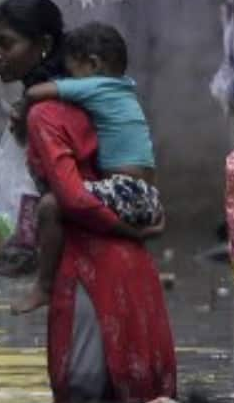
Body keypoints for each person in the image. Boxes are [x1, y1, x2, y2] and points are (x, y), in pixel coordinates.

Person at [0, 0, 178, 403]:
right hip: (132, 267)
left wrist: (128, 227)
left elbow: (70, 198)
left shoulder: (46, 113)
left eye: (6, 43)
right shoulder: (92, 96)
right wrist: (139, 228)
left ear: (44, 45)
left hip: (89, 274)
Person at [9, 22, 164, 315]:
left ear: (93, 64)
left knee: (49, 206)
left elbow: (36, 93)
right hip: (145, 195)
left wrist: (19, 114)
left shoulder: (96, 86)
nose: (70, 80)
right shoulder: (124, 89)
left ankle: (43, 285)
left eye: (72, 71)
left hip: (125, 190)